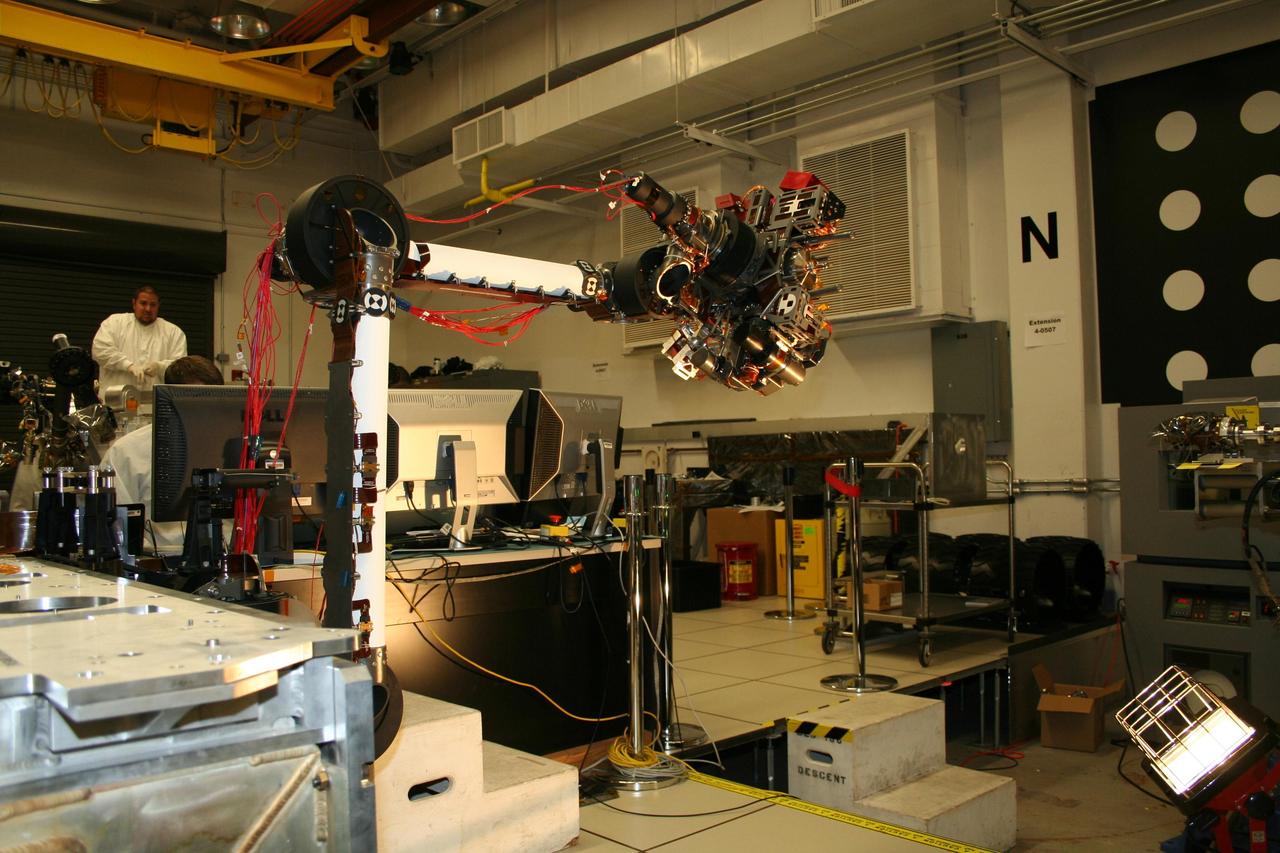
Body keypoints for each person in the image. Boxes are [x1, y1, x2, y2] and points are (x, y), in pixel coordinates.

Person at [102, 355, 223, 553]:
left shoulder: (234, 447)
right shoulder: (127, 452)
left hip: (226, 556)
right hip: (157, 559)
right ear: (169, 399)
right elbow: (118, 525)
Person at [92, 285, 187, 394]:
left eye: (153, 305)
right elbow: (100, 350)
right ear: (134, 303)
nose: (148, 309)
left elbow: (181, 367)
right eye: (143, 303)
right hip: (115, 399)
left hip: (154, 401)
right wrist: (128, 366)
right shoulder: (114, 323)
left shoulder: (173, 333)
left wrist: (160, 367)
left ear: (158, 306)